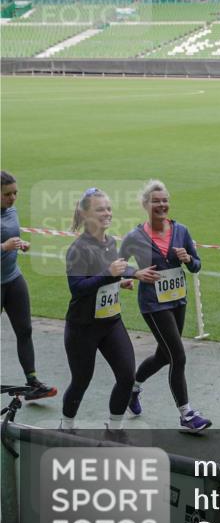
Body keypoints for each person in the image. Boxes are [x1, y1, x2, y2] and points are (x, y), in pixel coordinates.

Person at [119, 179, 211, 433]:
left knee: (163, 355)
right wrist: (134, 274)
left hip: (177, 300)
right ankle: (187, 414)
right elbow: (116, 266)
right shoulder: (135, 237)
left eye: (165, 200)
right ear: (145, 205)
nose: (162, 205)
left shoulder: (181, 231)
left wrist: (189, 258)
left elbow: (196, 265)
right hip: (153, 304)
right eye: (156, 201)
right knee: (177, 356)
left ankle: (133, 388)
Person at [61, 188, 143, 438]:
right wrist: (108, 274)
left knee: (127, 375)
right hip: (82, 327)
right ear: (85, 215)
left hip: (110, 322)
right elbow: (77, 289)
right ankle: (66, 427)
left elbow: (104, 278)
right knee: (81, 381)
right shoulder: (78, 249)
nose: (107, 213)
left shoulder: (110, 242)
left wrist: (119, 282)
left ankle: (115, 428)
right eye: (100, 209)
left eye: (108, 208)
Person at [2, 171, 58, 401]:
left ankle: (33, 381)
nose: (13, 198)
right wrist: (4, 247)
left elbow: (10, 237)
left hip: (13, 278)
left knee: (24, 330)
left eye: (15, 193)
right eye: (7, 194)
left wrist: (18, 244)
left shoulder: (12, 211)